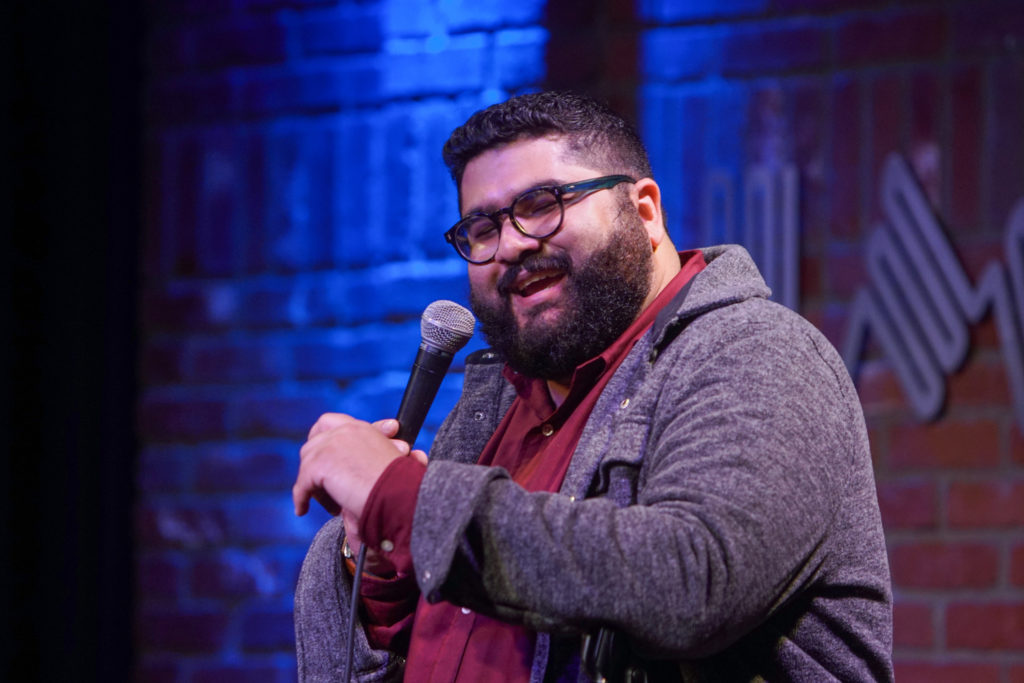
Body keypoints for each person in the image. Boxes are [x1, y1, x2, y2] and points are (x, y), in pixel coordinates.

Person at [292, 91, 893, 682]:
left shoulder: (756, 351)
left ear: (646, 213)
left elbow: (693, 580)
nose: (512, 245)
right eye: (482, 227)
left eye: (542, 204)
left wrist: (404, 498)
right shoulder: (494, 405)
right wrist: (369, 558)